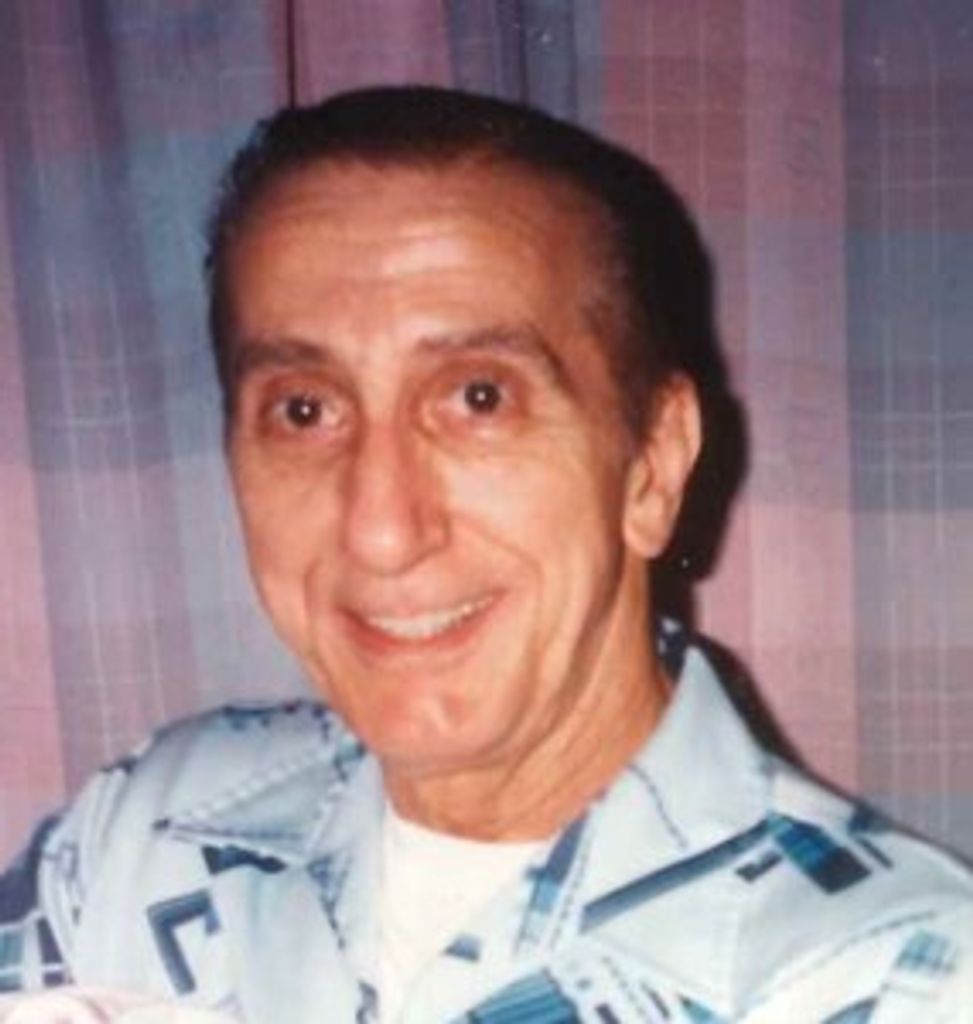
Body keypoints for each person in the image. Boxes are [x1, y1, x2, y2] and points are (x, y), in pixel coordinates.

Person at [0, 86, 970, 1024]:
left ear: (652, 465)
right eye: (303, 410)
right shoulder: (145, 834)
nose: (381, 530)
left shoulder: (900, 979)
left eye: (478, 398)